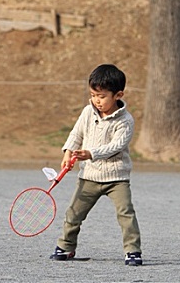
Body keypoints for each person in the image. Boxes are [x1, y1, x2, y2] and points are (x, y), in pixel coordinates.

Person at [49, 64, 142, 266]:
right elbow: (76, 134)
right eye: (93, 95)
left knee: (126, 213)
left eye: (101, 96)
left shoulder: (126, 120)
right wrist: (67, 153)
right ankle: (66, 246)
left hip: (117, 178)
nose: (96, 101)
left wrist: (91, 153)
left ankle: (132, 250)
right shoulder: (87, 112)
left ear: (118, 95)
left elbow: (116, 146)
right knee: (74, 213)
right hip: (89, 176)